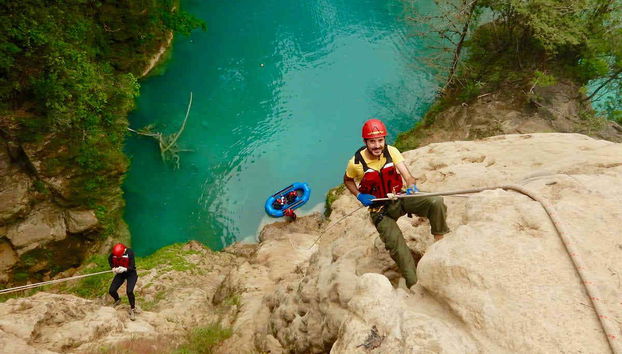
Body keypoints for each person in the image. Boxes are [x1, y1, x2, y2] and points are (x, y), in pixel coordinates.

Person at [343, 119, 449, 288]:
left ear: (384, 139)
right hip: (380, 210)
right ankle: (414, 284)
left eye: (380, 140)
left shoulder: (392, 152)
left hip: (399, 198)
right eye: (372, 141)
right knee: (399, 249)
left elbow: (407, 175)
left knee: (435, 201)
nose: (377, 145)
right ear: (365, 142)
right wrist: (359, 195)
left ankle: (439, 240)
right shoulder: (356, 163)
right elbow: (348, 180)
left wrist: (411, 185)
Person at [108, 243, 138, 321]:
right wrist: (113, 268)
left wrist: (124, 268)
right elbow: (110, 259)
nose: (117, 257)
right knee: (111, 290)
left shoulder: (130, 253)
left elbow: (132, 266)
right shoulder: (114, 254)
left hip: (131, 273)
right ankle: (117, 299)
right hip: (121, 274)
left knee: (129, 291)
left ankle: (133, 308)